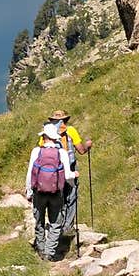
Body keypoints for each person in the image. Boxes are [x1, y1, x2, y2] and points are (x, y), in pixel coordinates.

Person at [25, 122, 75, 261]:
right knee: (55, 223)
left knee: (39, 221)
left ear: (44, 136)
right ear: (55, 138)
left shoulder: (36, 151)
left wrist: (29, 191)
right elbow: (68, 176)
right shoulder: (61, 153)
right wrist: (73, 179)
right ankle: (49, 252)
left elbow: (30, 173)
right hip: (56, 194)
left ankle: (41, 249)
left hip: (39, 192)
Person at [49, 109, 93, 240]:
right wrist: (88, 146)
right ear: (65, 120)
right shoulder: (71, 130)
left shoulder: (47, 134)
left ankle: (57, 226)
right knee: (71, 196)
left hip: (55, 171)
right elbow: (81, 150)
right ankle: (68, 226)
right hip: (71, 169)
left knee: (58, 198)